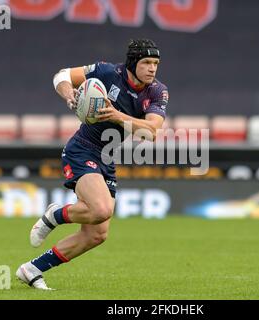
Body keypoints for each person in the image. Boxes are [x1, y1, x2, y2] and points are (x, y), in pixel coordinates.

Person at [16, 39, 169, 290]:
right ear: (133, 63)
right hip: (82, 149)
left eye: (156, 63)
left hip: (107, 158)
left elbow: (151, 132)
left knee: (96, 234)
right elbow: (62, 75)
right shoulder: (107, 72)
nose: (152, 68)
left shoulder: (157, 91)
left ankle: (32, 269)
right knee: (100, 210)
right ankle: (55, 215)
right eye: (147, 63)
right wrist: (70, 95)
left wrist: (117, 116)